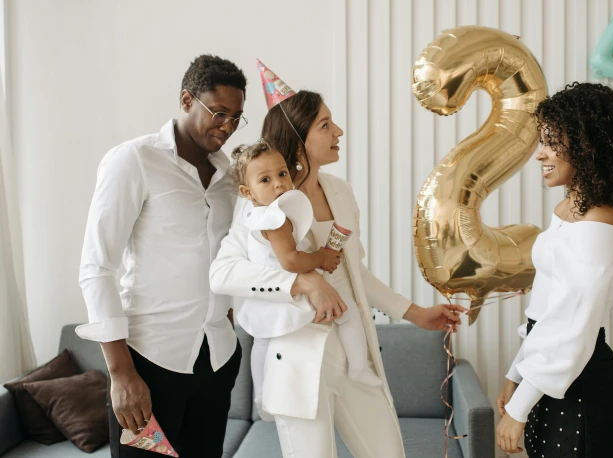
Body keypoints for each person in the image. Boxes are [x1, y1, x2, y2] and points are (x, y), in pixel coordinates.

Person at [210, 60, 466, 458]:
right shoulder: (263, 200)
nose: (338, 132)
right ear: (299, 140)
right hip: (296, 357)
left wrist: (415, 313)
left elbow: (353, 272)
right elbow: (222, 274)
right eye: (325, 126)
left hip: (354, 351)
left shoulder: (340, 192)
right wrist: (302, 281)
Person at [77, 55, 248, 457]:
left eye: (237, 117)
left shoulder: (231, 177)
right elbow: (97, 267)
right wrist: (121, 374)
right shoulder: (134, 160)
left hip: (218, 361)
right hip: (149, 365)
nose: (228, 127)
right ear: (187, 100)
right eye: (219, 113)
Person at [495, 82, 613, 457]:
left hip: (579, 383)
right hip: (550, 374)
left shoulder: (598, 225)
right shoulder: (572, 208)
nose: (540, 154)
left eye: (552, 142)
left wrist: (519, 408)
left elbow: (571, 328)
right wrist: (515, 373)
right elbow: (547, 311)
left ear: (589, 147)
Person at [229, 139, 384, 421]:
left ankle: (262, 394)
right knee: (347, 312)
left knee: (262, 342)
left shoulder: (255, 214)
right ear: (247, 192)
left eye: (282, 174)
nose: (278, 183)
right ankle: (360, 368)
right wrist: (322, 257)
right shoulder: (276, 219)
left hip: (267, 298)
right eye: (266, 179)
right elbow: (291, 261)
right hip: (289, 291)